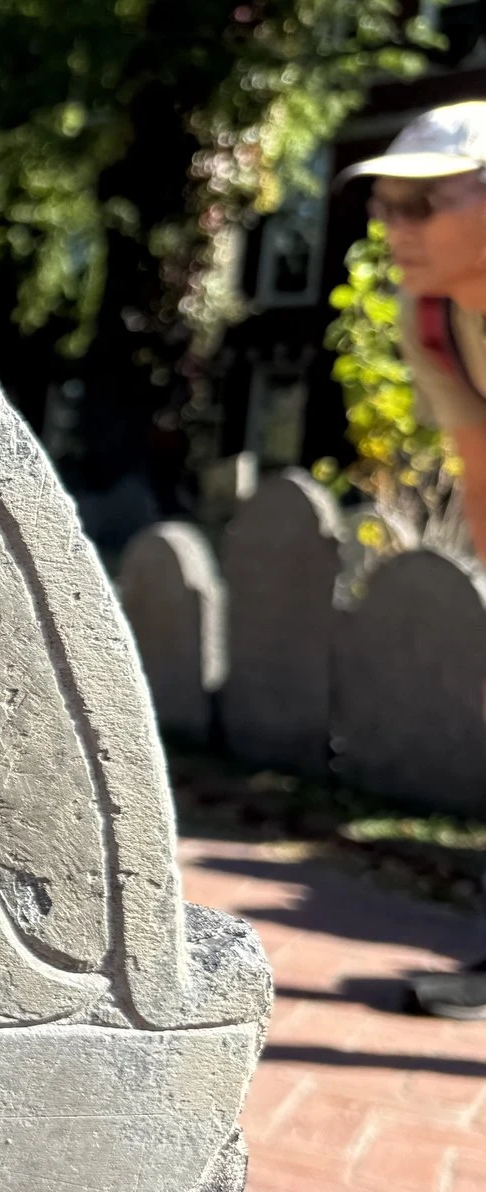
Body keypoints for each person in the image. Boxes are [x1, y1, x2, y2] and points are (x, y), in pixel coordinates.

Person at [344, 101, 486, 1018]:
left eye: (424, 204)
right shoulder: (435, 316)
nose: (397, 227)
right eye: (387, 205)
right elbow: (481, 462)